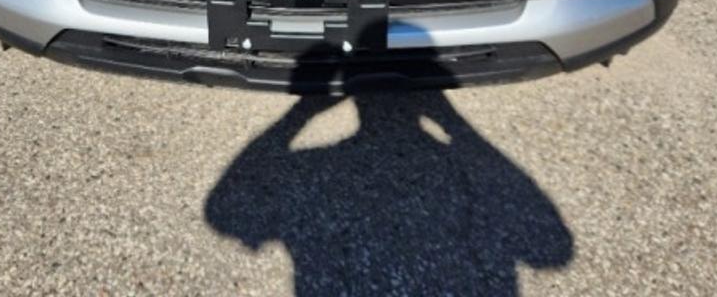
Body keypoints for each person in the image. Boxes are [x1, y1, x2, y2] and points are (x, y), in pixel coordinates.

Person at [205, 90, 573, 296]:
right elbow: (551, 247)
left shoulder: (316, 166)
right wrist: (451, 120)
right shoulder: (444, 165)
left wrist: (303, 110)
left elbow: (225, 206)